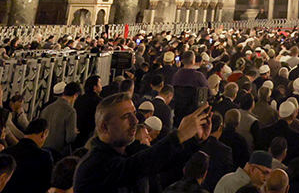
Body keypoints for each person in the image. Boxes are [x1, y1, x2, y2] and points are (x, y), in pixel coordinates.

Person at [72, 92, 213, 193]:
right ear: (104, 127)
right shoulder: (93, 164)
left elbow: (165, 161)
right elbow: (136, 166)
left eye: (134, 113)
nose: (135, 121)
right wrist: (180, 135)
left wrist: (195, 141)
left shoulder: (129, 150)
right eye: (126, 117)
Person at [42, 82, 81, 155]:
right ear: (75, 95)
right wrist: (74, 132)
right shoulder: (70, 111)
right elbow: (70, 138)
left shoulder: (47, 108)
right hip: (59, 152)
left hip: (43, 148)